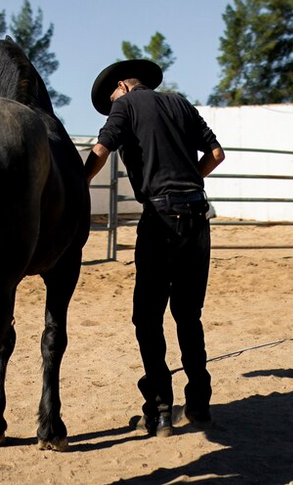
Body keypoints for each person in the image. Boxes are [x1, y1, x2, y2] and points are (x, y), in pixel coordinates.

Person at [84, 59, 225, 437]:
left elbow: (101, 150)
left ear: (122, 87)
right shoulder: (179, 101)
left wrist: (77, 184)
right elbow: (216, 154)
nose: (113, 101)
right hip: (197, 215)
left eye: (111, 96)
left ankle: (160, 410)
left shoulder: (125, 106)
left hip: (160, 218)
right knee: (188, 315)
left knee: (147, 317)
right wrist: (190, 181)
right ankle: (199, 405)